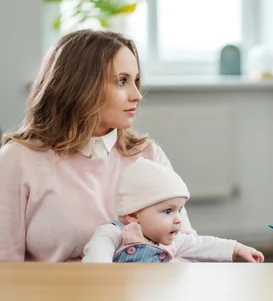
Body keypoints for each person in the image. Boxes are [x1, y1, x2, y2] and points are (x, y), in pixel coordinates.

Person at [0, 29, 196, 261]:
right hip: (53, 297)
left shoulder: (148, 155)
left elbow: (185, 251)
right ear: (80, 86)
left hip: (139, 295)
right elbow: (5, 267)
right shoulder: (18, 159)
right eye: (122, 81)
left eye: (136, 81)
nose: (137, 95)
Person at [82, 158, 264, 263]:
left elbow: (204, 245)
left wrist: (238, 249)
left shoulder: (172, 241)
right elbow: (97, 262)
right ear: (133, 215)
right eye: (168, 211)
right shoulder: (113, 233)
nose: (178, 219)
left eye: (180, 210)